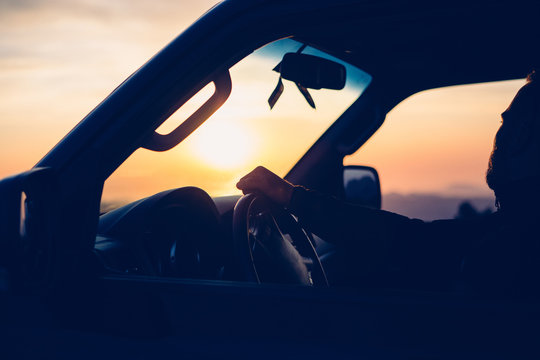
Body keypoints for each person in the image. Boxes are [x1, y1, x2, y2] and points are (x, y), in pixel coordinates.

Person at [237, 71, 540, 298]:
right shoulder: (511, 229)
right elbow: (411, 239)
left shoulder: (513, 247)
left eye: (514, 124)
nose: (503, 135)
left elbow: (407, 241)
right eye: (505, 123)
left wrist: (293, 197)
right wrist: (292, 196)